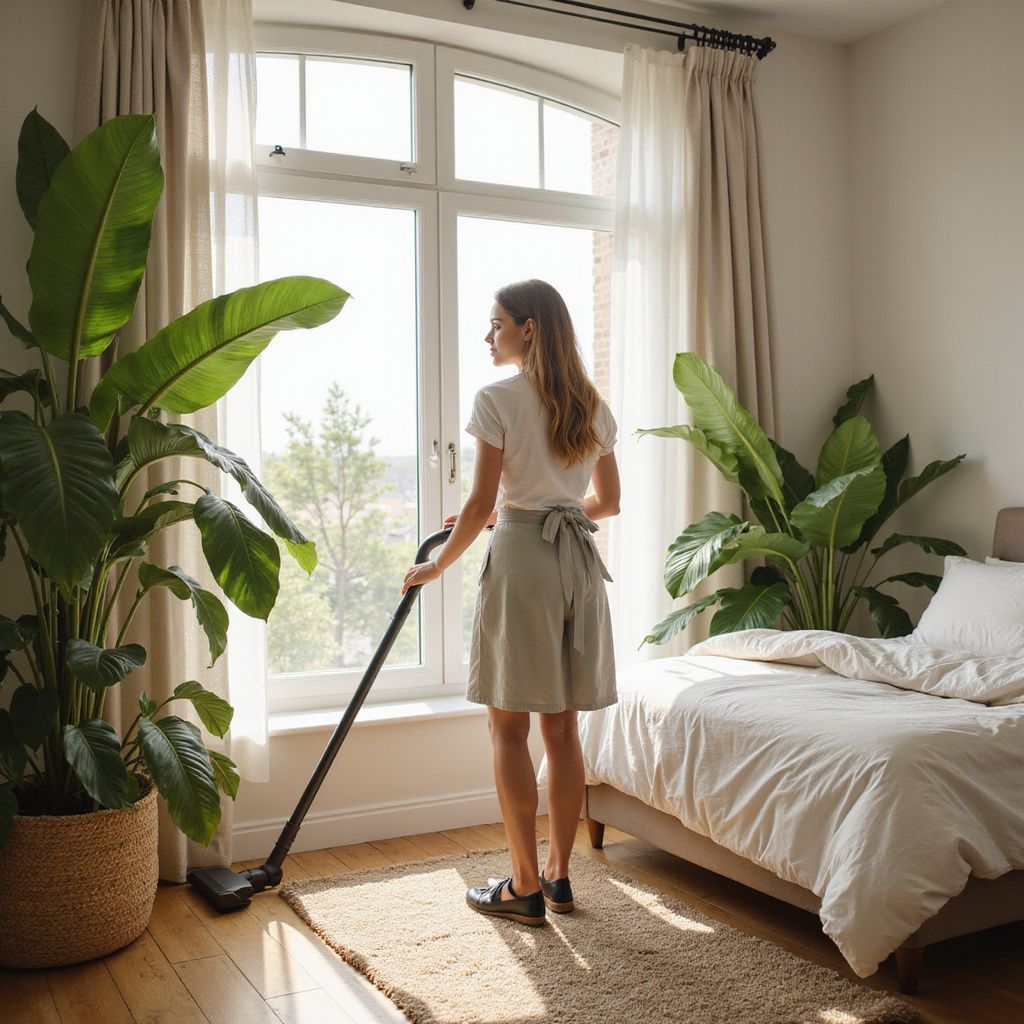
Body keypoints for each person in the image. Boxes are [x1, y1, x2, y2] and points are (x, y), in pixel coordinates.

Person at [401, 278, 620, 928]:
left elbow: (476, 504)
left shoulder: (497, 398)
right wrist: (531, 507)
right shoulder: (593, 406)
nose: (487, 335)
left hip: (525, 558)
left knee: (508, 727)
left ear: (528, 327)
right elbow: (605, 504)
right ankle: (557, 876)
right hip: (577, 559)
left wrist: (436, 565)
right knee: (563, 727)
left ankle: (521, 887)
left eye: (495, 323)